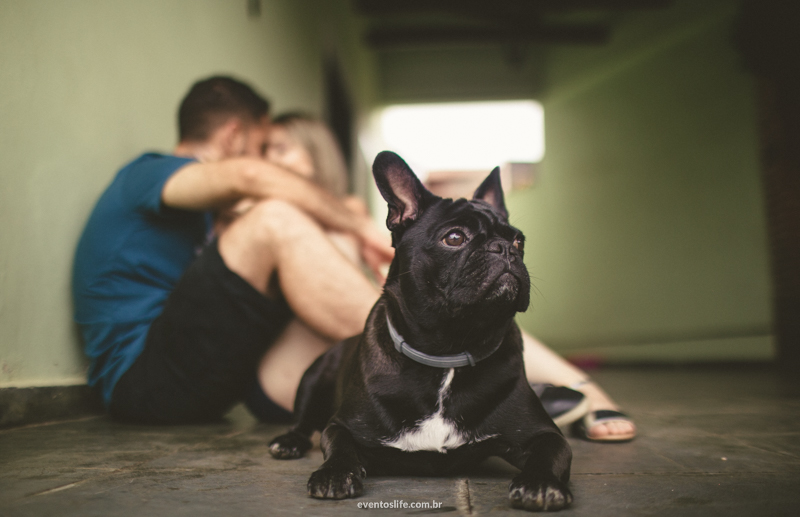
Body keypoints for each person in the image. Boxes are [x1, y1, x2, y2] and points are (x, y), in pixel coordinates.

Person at [73, 76, 634, 441]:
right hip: (141, 383)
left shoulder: (202, 220)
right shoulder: (146, 174)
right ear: (236, 134)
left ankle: (527, 386)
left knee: (320, 240)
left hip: (211, 385)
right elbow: (248, 178)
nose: (268, 160)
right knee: (277, 220)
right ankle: (501, 389)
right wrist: (361, 221)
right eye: (265, 144)